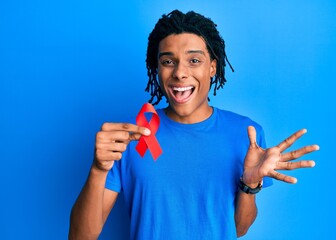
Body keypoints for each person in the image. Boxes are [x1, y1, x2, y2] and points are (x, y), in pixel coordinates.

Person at [69, 10, 319, 239]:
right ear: (157, 68)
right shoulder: (132, 137)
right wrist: (98, 169)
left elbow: (238, 229)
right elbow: (81, 237)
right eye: (168, 61)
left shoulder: (246, 135)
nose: (179, 72)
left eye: (194, 61)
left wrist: (249, 183)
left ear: (212, 67)